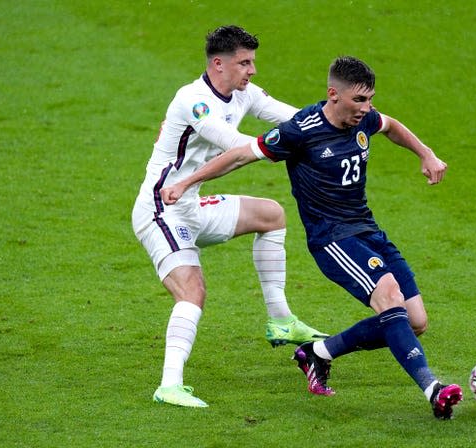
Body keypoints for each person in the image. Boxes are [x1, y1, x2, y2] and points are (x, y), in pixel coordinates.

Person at [160, 56, 462, 419]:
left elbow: (390, 125)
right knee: (390, 299)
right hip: (332, 238)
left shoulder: (364, 117)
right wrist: (186, 182)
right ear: (333, 94)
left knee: (415, 321)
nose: (366, 109)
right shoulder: (300, 130)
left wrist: (425, 153)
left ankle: (319, 353)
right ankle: (433, 388)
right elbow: (241, 155)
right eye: (359, 101)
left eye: (369, 100)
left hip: (367, 229)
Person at [131, 25, 328, 409]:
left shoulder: (244, 93)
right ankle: (169, 385)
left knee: (271, 215)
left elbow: (293, 118)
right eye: (245, 62)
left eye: (252, 61)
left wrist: (331, 121)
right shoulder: (193, 100)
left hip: (191, 204)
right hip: (161, 209)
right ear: (218, 64)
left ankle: (281, 320)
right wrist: (286, 145)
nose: (252, 70)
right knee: (193, 291)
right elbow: (233, 144)